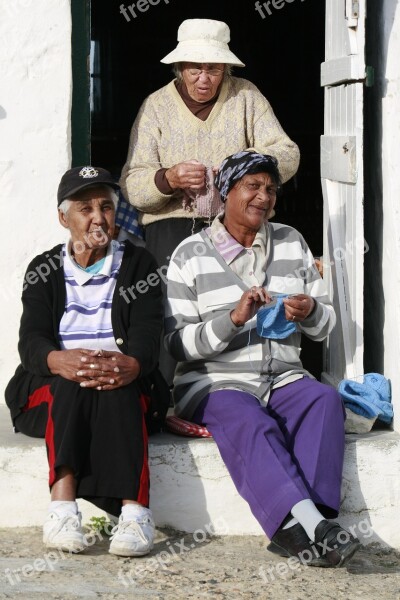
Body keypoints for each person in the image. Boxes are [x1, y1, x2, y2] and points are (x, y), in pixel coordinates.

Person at [164, 151, 361, 567]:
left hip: (283, 377)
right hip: (214, 382)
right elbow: (178, 345)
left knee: (324, 401)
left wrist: (310, 312)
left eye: (270, 189)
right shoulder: (189, 254)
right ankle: (314, 527)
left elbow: (324, 327)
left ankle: (310, 525)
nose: (263, 196)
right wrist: (233, 319)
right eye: (252, 186)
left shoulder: (292, 241)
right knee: (250, 419)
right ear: (226, 192)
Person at [119, 18, 300, 384]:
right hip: (171, 228)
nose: (204, 78)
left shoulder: (246, 96)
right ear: (179, 67)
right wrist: (167, 178)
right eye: (195, 68)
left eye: (214, 68)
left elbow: (288, 154)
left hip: (239, 228)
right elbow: (132, 184)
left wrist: (242, 168)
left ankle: (247, 387)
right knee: (171, 313)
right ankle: (169, 396)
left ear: (226, 68)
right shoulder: (156, 106)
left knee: (243, 307)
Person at [5, 166, 164, 557]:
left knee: (117, 383)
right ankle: (62, 509)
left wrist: (133, 365)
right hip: (53, 387)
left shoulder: (139, 265)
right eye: (85, 208)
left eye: (106, 207)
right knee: (70, 383)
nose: (98, 217)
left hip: (123, 384)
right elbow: (31, 341)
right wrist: (59, 359)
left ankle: (135, 514)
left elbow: (147, 333)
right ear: (64, 218)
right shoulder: (43, 270)